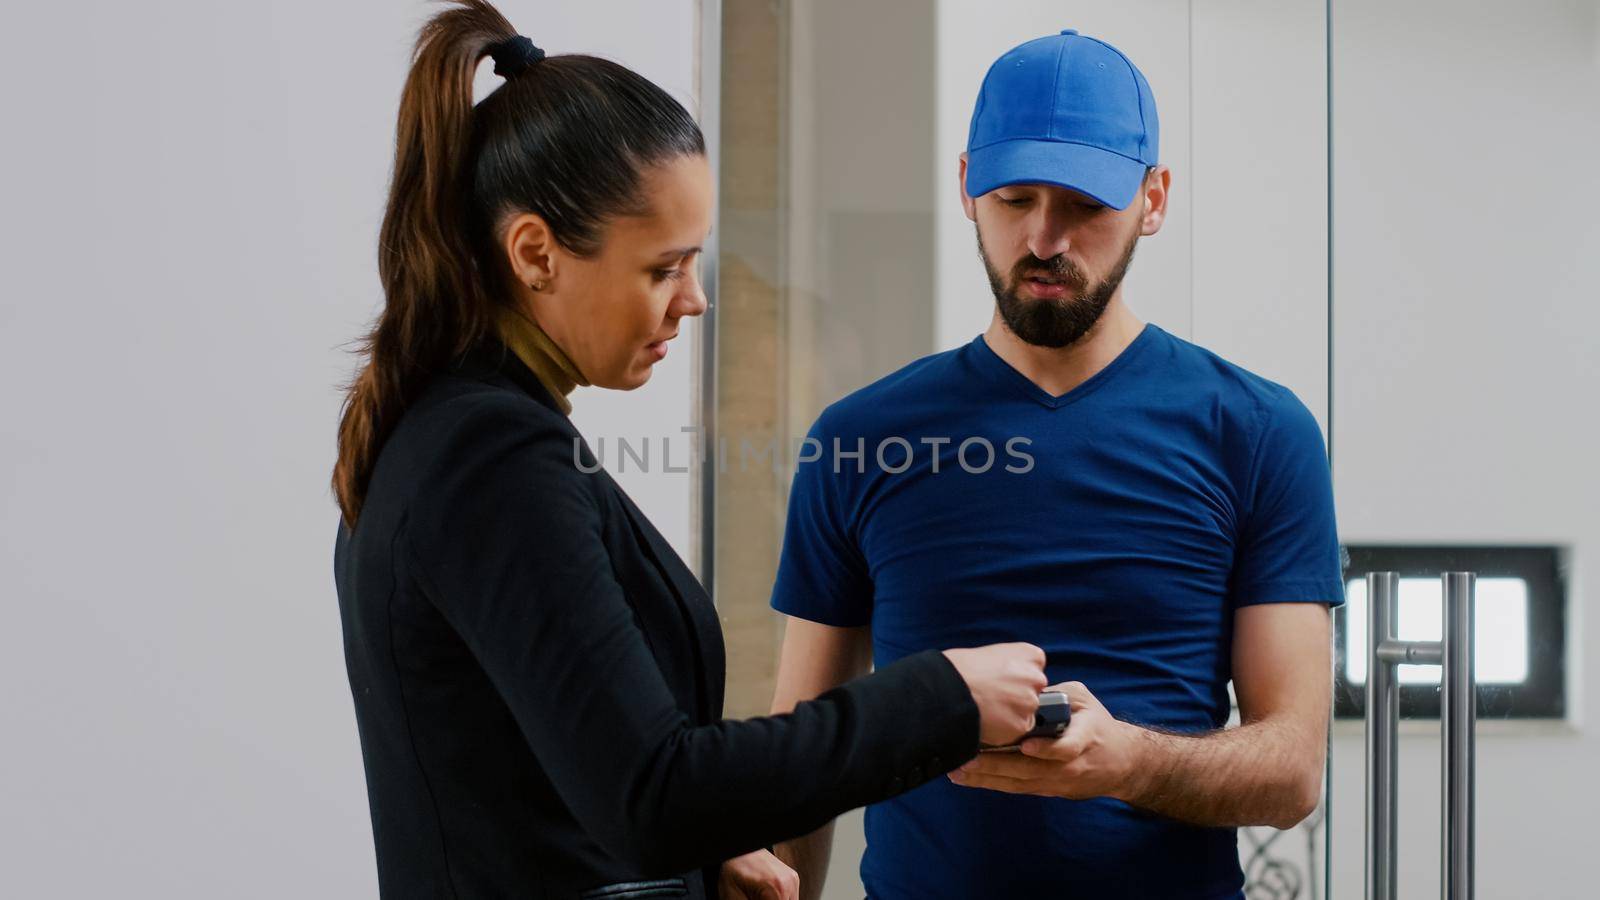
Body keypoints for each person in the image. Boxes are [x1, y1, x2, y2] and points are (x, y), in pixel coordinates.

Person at [329, 3, 1049, 898]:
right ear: (535, 254)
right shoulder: (490, 457)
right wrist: (943, 700)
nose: (695, 299)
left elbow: (548, 776)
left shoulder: (460, 433)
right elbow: (652, 794)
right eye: (663, 268)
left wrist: (701, 866)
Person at [768, 29, 1343, 899]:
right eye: (1014, 198)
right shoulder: (857, 438)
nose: (1043, 238)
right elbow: (800, 762)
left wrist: (1126, 762)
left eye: (1083, 203)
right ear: (966, 185)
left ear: (1153, 198)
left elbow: (1293, 772)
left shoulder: (1259, 431)